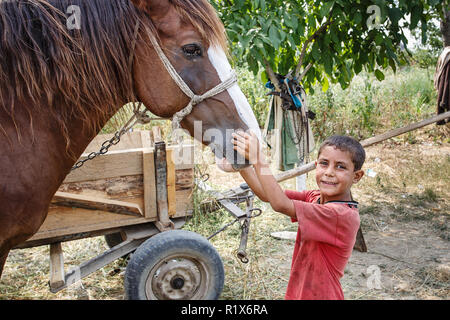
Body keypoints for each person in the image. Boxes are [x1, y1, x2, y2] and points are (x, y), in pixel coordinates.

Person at [218, 132, 365, 300]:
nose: (329, 172)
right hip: (300, 292)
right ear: (316, 165)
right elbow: (269, 195)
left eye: (341, 166)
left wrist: (259, 159)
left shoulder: (340, 215)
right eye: (324, 164)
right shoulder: (315, 198)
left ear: (357, 176)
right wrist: (243, 166)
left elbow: (280, 204)